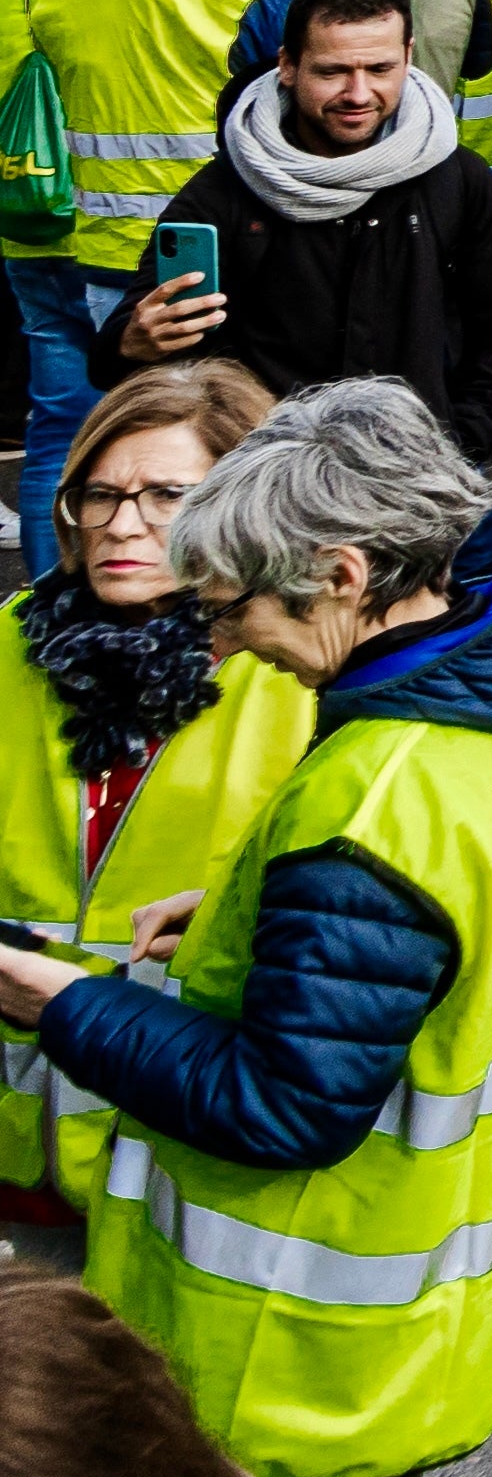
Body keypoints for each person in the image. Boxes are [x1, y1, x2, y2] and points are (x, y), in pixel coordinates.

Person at [3, 380, 492, 1477]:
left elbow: (280, 1104)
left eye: (242, 609)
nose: (233, 648)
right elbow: (456, 918)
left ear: (343, 575)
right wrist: (263, 913)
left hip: (285, 1358)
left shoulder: (374, 806)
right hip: (434, 1307)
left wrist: (56, 999)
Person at [0, 363, 306, 1254]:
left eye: (168, 494)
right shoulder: (14, 641)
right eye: (100, 495)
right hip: (20, 1155)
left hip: (176, 1152)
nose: (122, 525)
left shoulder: (295, 676)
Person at [103, 0, 492, 489]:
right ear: (287, 66)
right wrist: (136, 341)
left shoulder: (455, 178)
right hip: (267, 488)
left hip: (415, 480)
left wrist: (458, 444)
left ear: (408, 57)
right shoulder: (224, 189)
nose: (358, 94)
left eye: (380, 70)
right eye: (332, 72)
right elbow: (132, 343)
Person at [5, 0, 298, 569]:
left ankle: (52, 617)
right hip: (190, 262)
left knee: (64, 441)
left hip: (58, 239)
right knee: (182, 453)